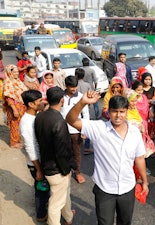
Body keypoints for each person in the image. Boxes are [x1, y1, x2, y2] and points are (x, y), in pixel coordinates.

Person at [66, 93, 149, 225]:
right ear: (108, 112)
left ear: (127, 112)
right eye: (114, 111)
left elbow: (139, 158)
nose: (118, 115)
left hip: (127, 188)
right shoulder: (99, 128)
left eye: (122, 111)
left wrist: (145, 181)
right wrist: (82, 102)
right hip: (104, 190)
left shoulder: (134, 133)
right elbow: (71, 120)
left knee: (125, 221)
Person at [35, 87, 76, 225]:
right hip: (56, 169)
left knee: (64, 194)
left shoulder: (40, 116)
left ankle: (68, 217)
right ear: (62, 100)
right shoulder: (59, 122)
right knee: (55, 204)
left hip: (46, 163)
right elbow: (62, 151)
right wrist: (65, 170)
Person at [20, 90, 49, 222]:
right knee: (41, 189)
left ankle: (43, 210)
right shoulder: (27, 123)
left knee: (42, 188)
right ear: (31, 104)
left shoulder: (35, 116)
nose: (42, 102)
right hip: (36, 163)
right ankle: (41, 215)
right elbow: (31, 148)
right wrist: (38, 169)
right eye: (39, 101)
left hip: (40, 161)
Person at [60, 76, 90, 184]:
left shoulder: (81, 97)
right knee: (63, 152)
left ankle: (77, 172)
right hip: (62, 130)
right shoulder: (61, 97)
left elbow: (85, 113)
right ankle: (66, 170)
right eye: (71, 87)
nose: (74, 89)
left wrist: (84, 130)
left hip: (76, 131)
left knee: (76, 153)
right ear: (66, 86)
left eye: (75, 87)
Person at [3, 64, 27, 149]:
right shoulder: (8, 83)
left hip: (22, 106)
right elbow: (9, 98)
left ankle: (19, 139)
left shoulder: (18, 81)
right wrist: (14, 110)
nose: (17, 73)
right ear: (10, 73)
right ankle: (13, 143)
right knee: (15, 125)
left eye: (17, 72)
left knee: (21, 124)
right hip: (15, 107)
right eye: (15, 72)